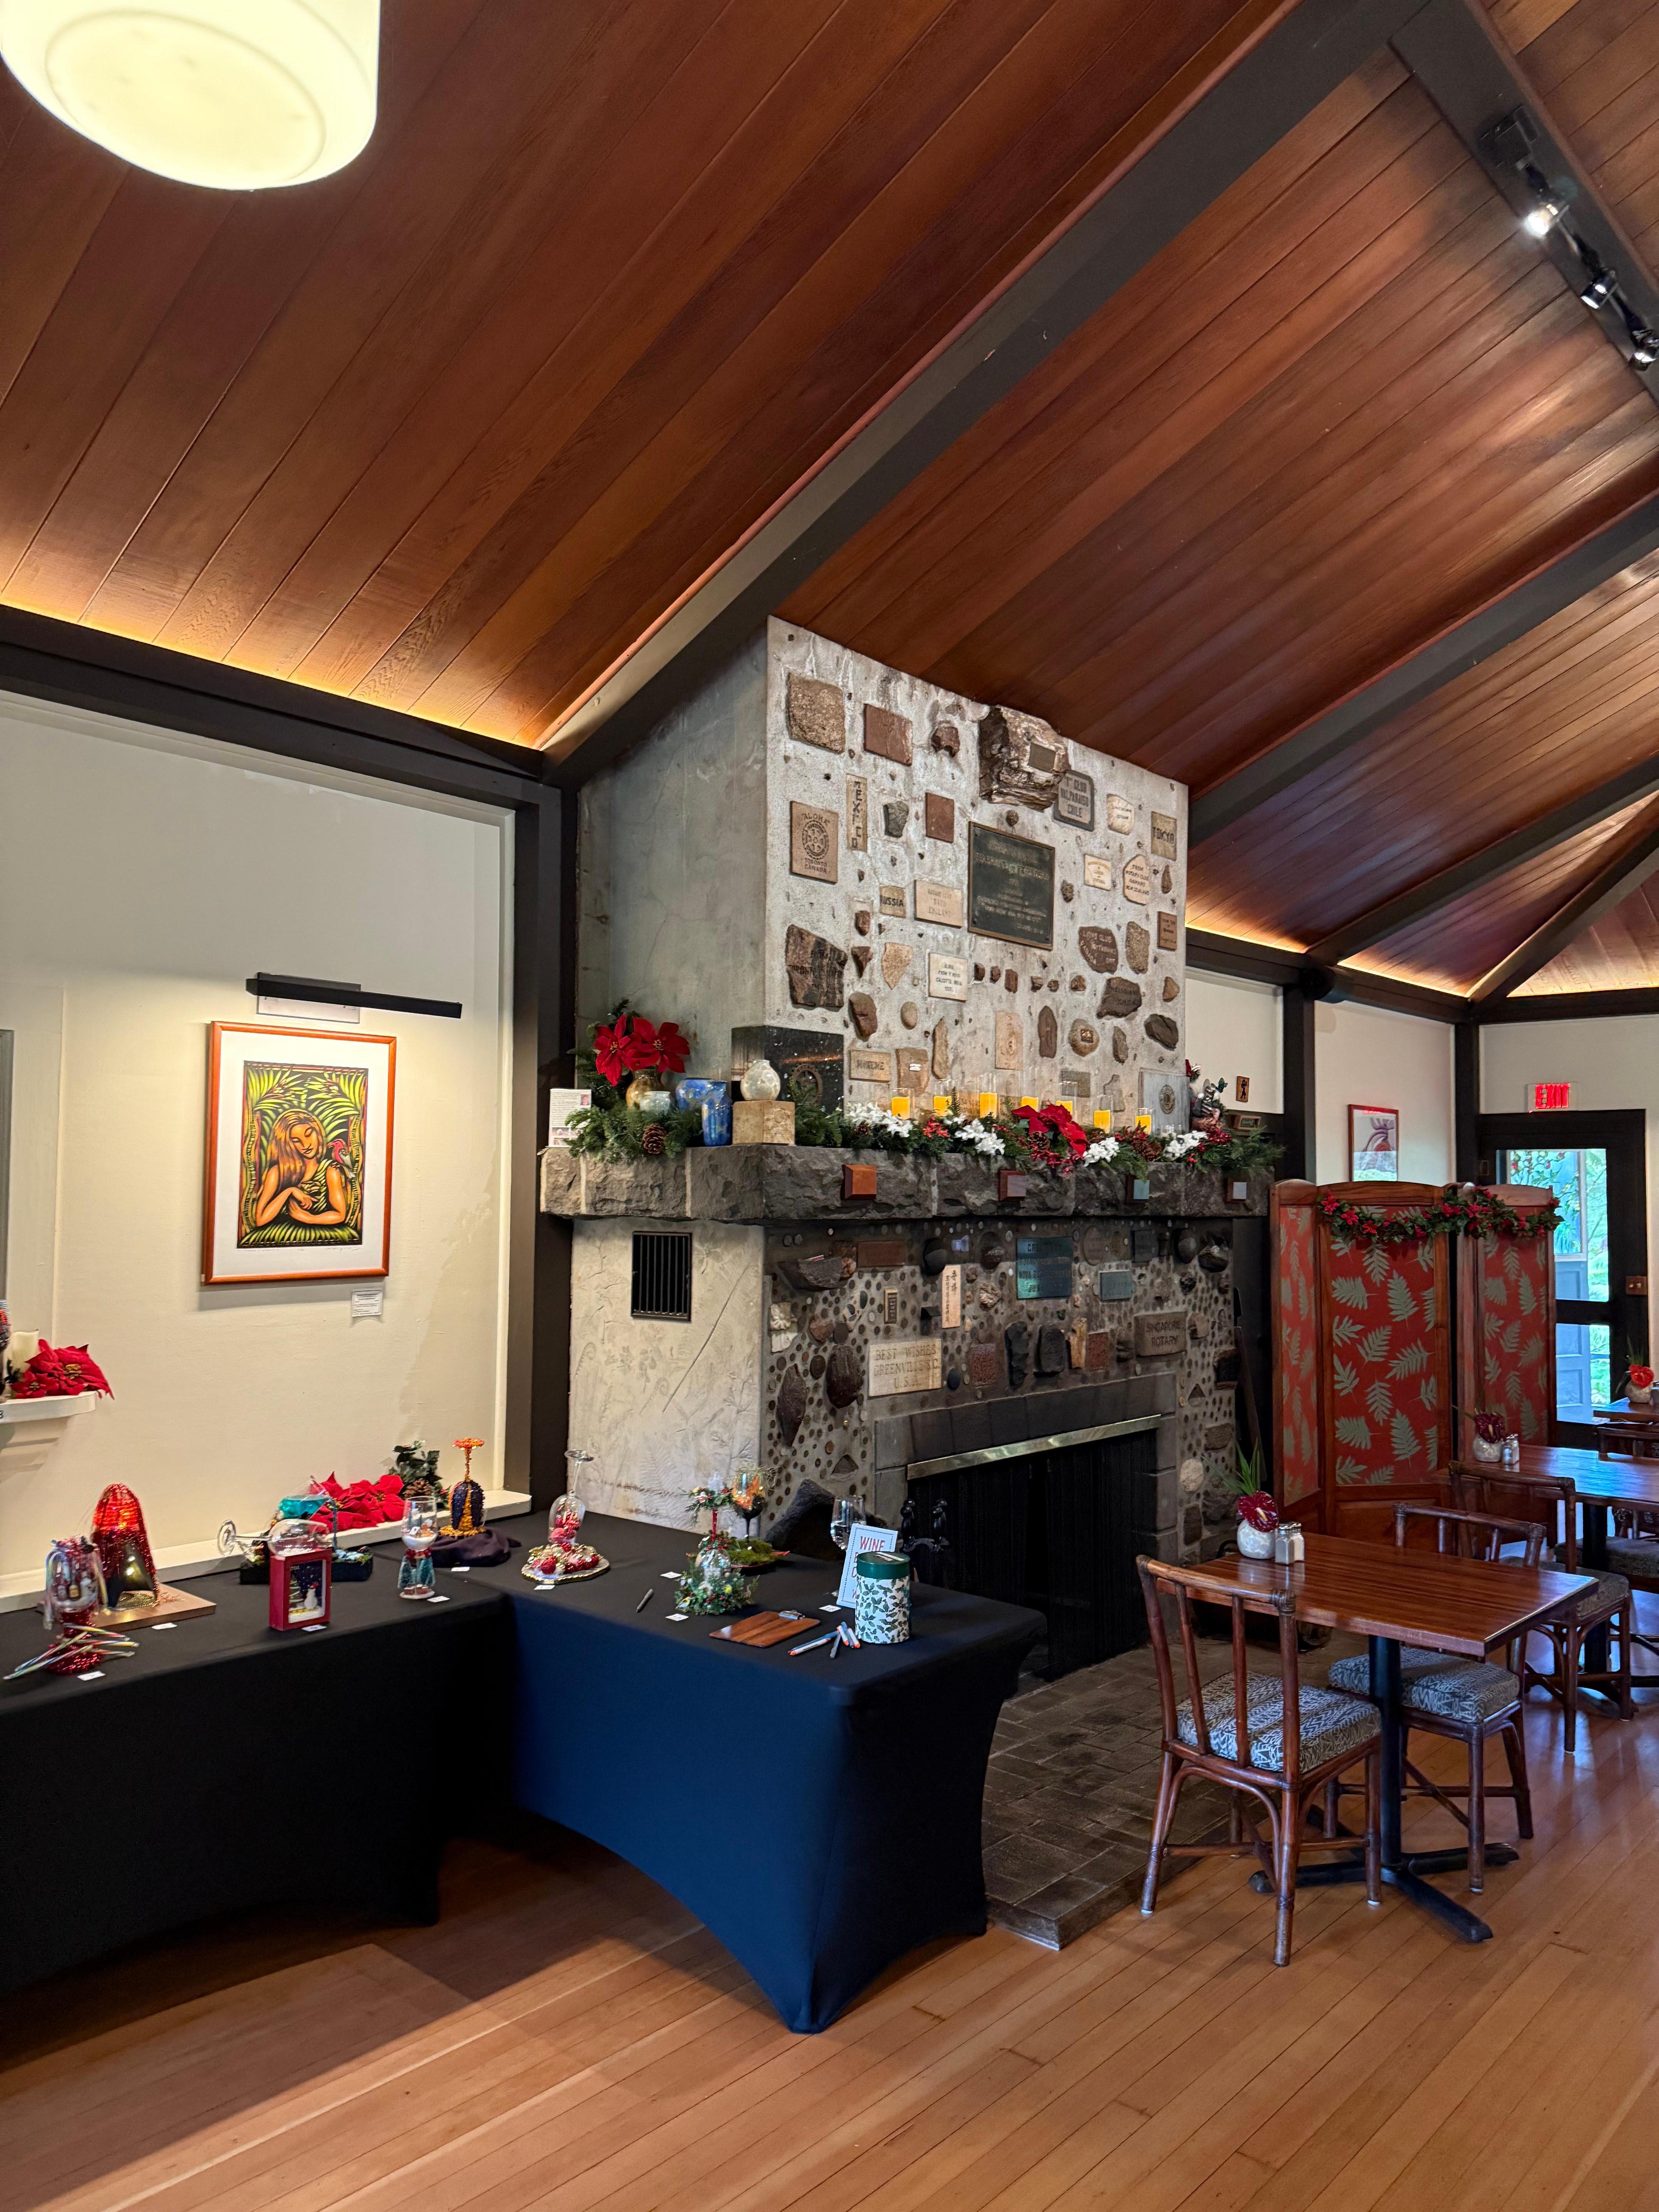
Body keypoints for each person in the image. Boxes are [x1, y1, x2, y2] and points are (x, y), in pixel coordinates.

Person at [252, 1109, 352, 1230]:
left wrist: (309, 1218)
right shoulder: (277, 1173)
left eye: (309, 1134)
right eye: (296, 1141)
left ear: (318, 1133)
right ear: (287, 1144)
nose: (306, 1145)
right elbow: (260, 1220)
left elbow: (340, 1215)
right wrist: (290, 1191)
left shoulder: (330, 1171)